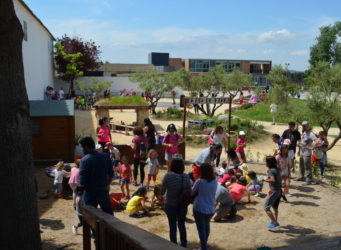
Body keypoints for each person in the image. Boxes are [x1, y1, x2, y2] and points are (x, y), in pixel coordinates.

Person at [79, 137, 114, 215]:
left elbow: (82, 181)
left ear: (86, 147)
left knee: (90, 216)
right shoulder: (105, 156)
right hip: (103, 190)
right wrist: (107, 185)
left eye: (82, 147)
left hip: (90, 193)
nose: (82, 149)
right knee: (109, 215)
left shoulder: (84, 160)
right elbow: (111, 174)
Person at [161, 159, 191, 247]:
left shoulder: (167, 176)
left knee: (172, 226)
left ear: (171, 166)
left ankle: (173, 245)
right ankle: (184, 244)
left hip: (170, 204)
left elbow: (162, 192)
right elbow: (190, 191)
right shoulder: (186, 176)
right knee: (182, 224)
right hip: (182, 205)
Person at [192, 163, 217, 250]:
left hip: (199, 208)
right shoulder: (215, 180)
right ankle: (204, 245)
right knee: (206, 226)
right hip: (211, 208)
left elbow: (192, 192)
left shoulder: (200, 181)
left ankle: (203, 247)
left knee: (201, 229)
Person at [264, 156, 282, 229]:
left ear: (269, 163)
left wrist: (264, 179)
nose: (265, 163)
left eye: (266, 161)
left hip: (274, 191)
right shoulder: (277, 169)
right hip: (279, 191)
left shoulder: (271, 171)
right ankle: (275, 221)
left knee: (266, 208)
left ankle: (274, 222)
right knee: (275, 207)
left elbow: (273, 180)